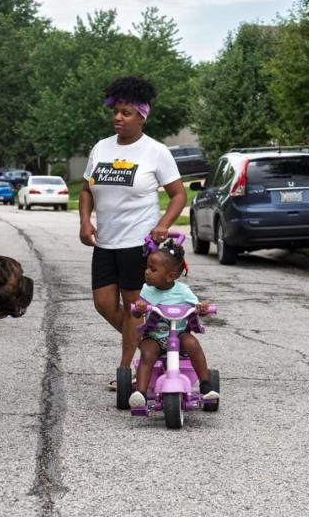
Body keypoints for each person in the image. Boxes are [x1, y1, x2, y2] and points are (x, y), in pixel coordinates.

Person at [79, 75, 187, 389]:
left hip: (138, 243)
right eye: (116, 110)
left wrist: (163, 224)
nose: (118, 117)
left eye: (126, 112)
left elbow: (178, 194)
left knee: (134, 307)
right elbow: (86, 189)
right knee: (104, 304)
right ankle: (150, 347)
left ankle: (127, 370)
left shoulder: (155, 151)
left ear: (142, 115)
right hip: (106, 242)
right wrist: (85, 221)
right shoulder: (101, 148)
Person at [128, 240, 219, 408]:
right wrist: (139, 308)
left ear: (170, 276)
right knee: (147, 354)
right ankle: (140, 394)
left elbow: (197, 308)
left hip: (179, 334)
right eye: (147, 267)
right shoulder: (146, 290)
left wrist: (203, 308)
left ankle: (206, 385)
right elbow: (135, 312)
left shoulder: (183, 291)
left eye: (153, 270)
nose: (147, 272)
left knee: (193, 344)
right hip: (154, 336)